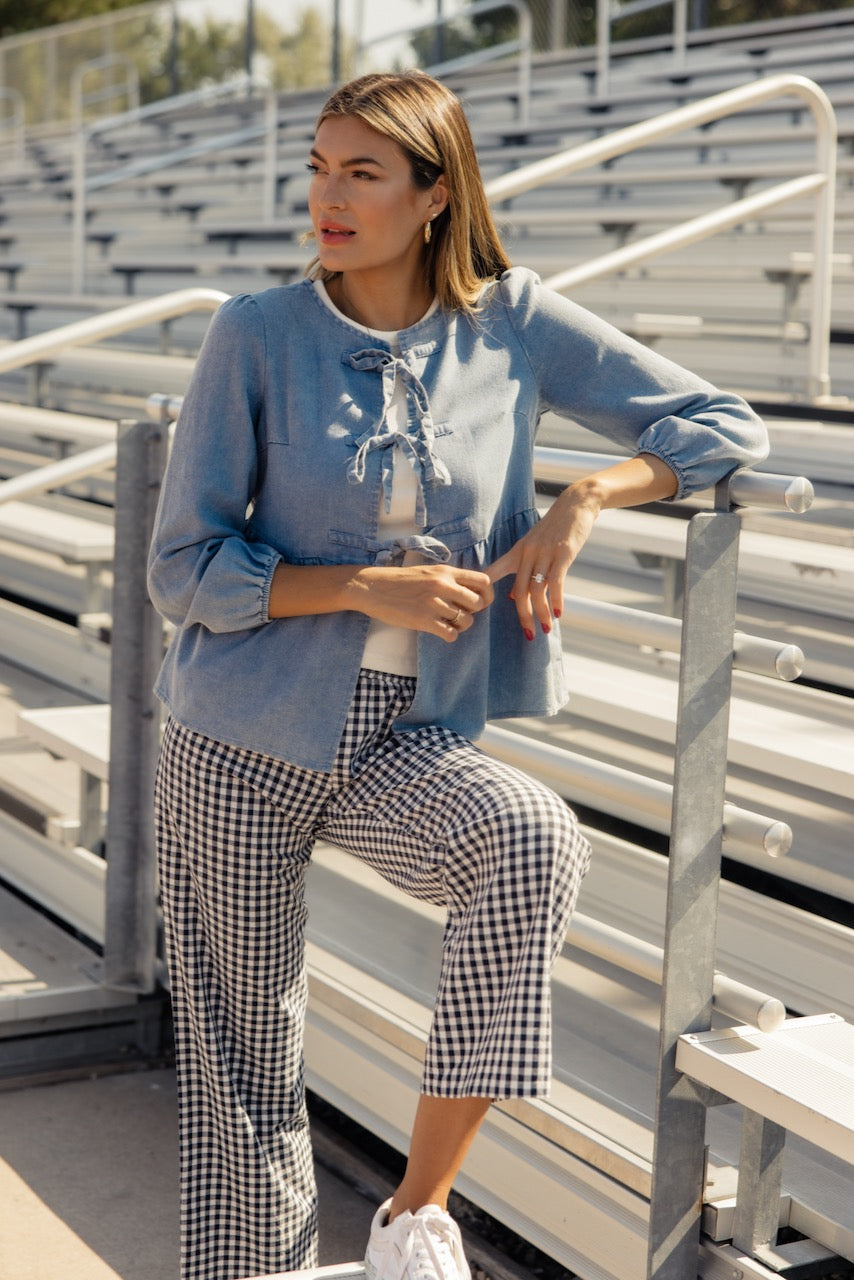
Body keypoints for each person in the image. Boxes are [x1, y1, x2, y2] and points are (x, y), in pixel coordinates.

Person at [148, 69, 768, 1280]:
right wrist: (356, 587)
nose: (327, 196)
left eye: (361, 173)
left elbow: (716, 424)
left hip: (403, 731)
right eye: (320, 168)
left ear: (435, 194)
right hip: (237, 728)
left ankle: (410, 1218)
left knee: (529, 841)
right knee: (243, 1058)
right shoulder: (256, 331)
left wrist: (585, 492)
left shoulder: (511, 322)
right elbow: (184, 564)